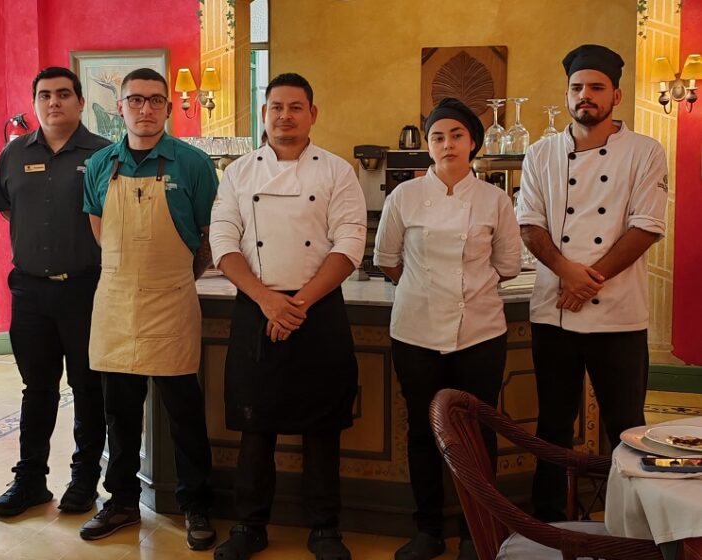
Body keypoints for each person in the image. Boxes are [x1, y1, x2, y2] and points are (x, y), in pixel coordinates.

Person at [210, 73, 366, 560]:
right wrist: (268, 301)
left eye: (296, 107)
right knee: (257, 428)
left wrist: (296, 304)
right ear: (264, 114)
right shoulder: (238, 173)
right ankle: (249, 526)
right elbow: (222, 244)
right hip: (258, 306)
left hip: (316, 310)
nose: (285, 115)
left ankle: (324, 529)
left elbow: (350, 245)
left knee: (322, 427)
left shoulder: (338, 172)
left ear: (312, 114)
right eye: (276, 106)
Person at [517, 44, 668, 522]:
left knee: (627, 426)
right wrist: (566, 273)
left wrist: (587, 281)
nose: (586, 95)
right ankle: (545, 522)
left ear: (616, 95)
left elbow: (645, 226)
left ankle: (637, 522)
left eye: (596, 87)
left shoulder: (645, 152)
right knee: (553, 424)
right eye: (578, 87)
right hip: (553, 311)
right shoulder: (540, 153)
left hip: (619, 314)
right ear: (567, 94)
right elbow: (530, 224)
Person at [374, 98, 521, 560]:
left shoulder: (495, 199)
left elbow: (508, 264)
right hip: (415, 332)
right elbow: (386, 259)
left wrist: (467, 291)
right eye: (437, 136)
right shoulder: (404, 196)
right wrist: (425, 290)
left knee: (478, 432)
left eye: (456, 135)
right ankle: (428, 529)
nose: (447, 144)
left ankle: (475, 531)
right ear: (427, 145)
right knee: (423, 430)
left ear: (473, 142)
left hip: (480, 333)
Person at [79, 68, 217, 550]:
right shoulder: (100, 165)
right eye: (135, 100)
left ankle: (196, 502)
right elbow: (99, 230)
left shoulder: (194, 165)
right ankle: (119, 502)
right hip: (116, 302)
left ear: (167, 107)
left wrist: (170, 277)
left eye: (156, 100)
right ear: (120, 107)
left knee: (185, 412)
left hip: (173, 299)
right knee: (119, 412)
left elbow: (205, 239)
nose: (146, 108)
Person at [0, 67, 110, 516]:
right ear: (35, 103)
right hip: (30, 293)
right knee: (36, 388)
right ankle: (31, 480)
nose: (54, 102)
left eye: (63, 94)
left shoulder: (103, 153)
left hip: (87, 290)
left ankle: (83, 481)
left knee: (87, 387)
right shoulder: (13, 153)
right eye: (45, 95)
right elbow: (2, 209)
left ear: (80, 102)